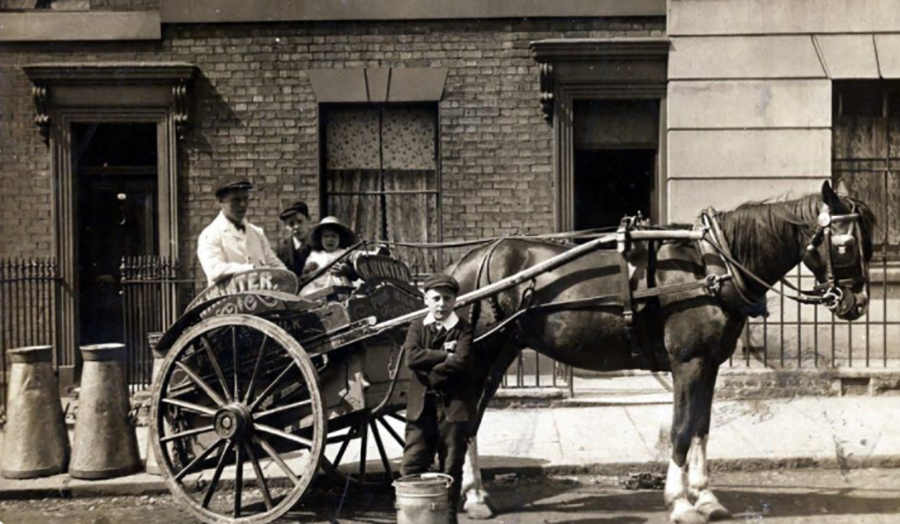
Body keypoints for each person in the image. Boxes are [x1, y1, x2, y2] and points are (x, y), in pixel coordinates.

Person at [401, 274, 475, 524]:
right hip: (420, 409)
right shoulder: (416, 327)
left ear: (455, 301)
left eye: (447, 298)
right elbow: (411, 357)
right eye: (436, 298)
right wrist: (444, 354)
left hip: (453, 409)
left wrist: (429, 372)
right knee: (412, 465)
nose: (441, 303)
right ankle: (413, 518)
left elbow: (461, 362)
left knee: (450, 467)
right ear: (426, 300)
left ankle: (448, 520)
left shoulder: (464, 329)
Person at [196, 177, 286, 286]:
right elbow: (214, 270)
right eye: (236, 200)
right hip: (229, 296)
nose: (242, 204)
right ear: (221, 201)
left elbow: (276, 265)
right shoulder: (210, 235)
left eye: (245, 198)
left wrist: (286, 278)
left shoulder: (257, 233)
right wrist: (251, 269)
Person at [300, 216, 358, 296]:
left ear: (340, 238)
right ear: (320, 239)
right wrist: (308, 269)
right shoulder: (315, 254)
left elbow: (354, 272)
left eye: (333, 236)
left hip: (338, 286)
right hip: (317, 287)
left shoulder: (344, 253)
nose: (329, 240)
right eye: (326, 236)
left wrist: (346, 269)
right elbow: (305, 274)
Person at [276, 200, 312, 277]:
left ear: (308, 219)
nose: (296, 227)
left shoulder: (321, 243)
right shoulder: (283, 249)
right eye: (291, 224)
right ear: (286, 226)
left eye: (300, 221)